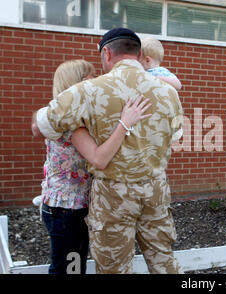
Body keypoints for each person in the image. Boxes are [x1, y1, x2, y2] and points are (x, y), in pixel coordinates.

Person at [31, 28, 184, 274]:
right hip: (155, 188)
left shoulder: (88, 90)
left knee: (114, 267)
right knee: (163, 261)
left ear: (107, 52)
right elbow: (176, 137)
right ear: (139, 53)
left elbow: (42, 124)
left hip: (113, 194)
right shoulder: (168, 92)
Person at [37, 59, 151, 274]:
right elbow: (99, 159)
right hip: (66, 210)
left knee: (73, 265)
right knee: (69, 269)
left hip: (69, 207)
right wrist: (125, 123)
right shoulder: (71, 123)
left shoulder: (67, 115)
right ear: (77, 83)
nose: (96, 80)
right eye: (90, 76)